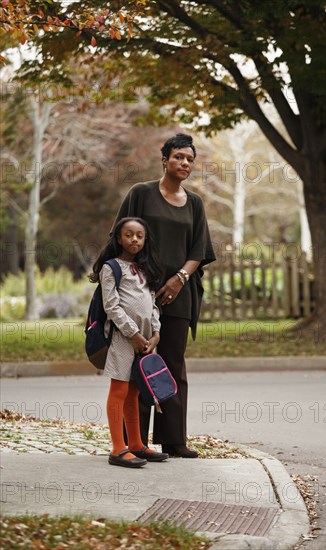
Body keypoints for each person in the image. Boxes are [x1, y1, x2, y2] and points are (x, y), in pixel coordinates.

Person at [110, 133, 216, 458]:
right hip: (140, 294)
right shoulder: (141, 194)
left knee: (172, 363)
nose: (185, 163)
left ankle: (174, 439)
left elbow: (199, 249)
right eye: (179, 157)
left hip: (179, 295)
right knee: (139, 364)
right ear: (164, 160)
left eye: (190, 159)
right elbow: (121, 234)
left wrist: (180, 278)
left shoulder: (195, 203)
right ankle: (134, 441)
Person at [89, 217, 169, 467]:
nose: (134, 239)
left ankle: (136, 444)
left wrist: (155, 334)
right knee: (120, 390)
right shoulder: (111, 268)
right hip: (122, 338)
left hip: (145, 339)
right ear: (118, 238)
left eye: (139, 236)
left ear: (145, 240)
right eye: (129, 234)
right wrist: (133, 334)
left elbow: (152, 304)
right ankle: (117, 448)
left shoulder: (145, 269)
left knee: (134, 391)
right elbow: (111, 306)